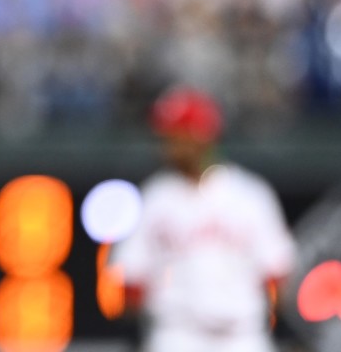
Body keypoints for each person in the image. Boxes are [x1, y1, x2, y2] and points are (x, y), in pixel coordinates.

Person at [112, 85, 296, 352]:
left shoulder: (250, 194)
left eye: (176, 136)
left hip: (242, 335)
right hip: (176, 334)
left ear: (201, 136)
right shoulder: (154, 197)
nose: (167, 146)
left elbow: (278, 272)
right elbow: (130, 279)